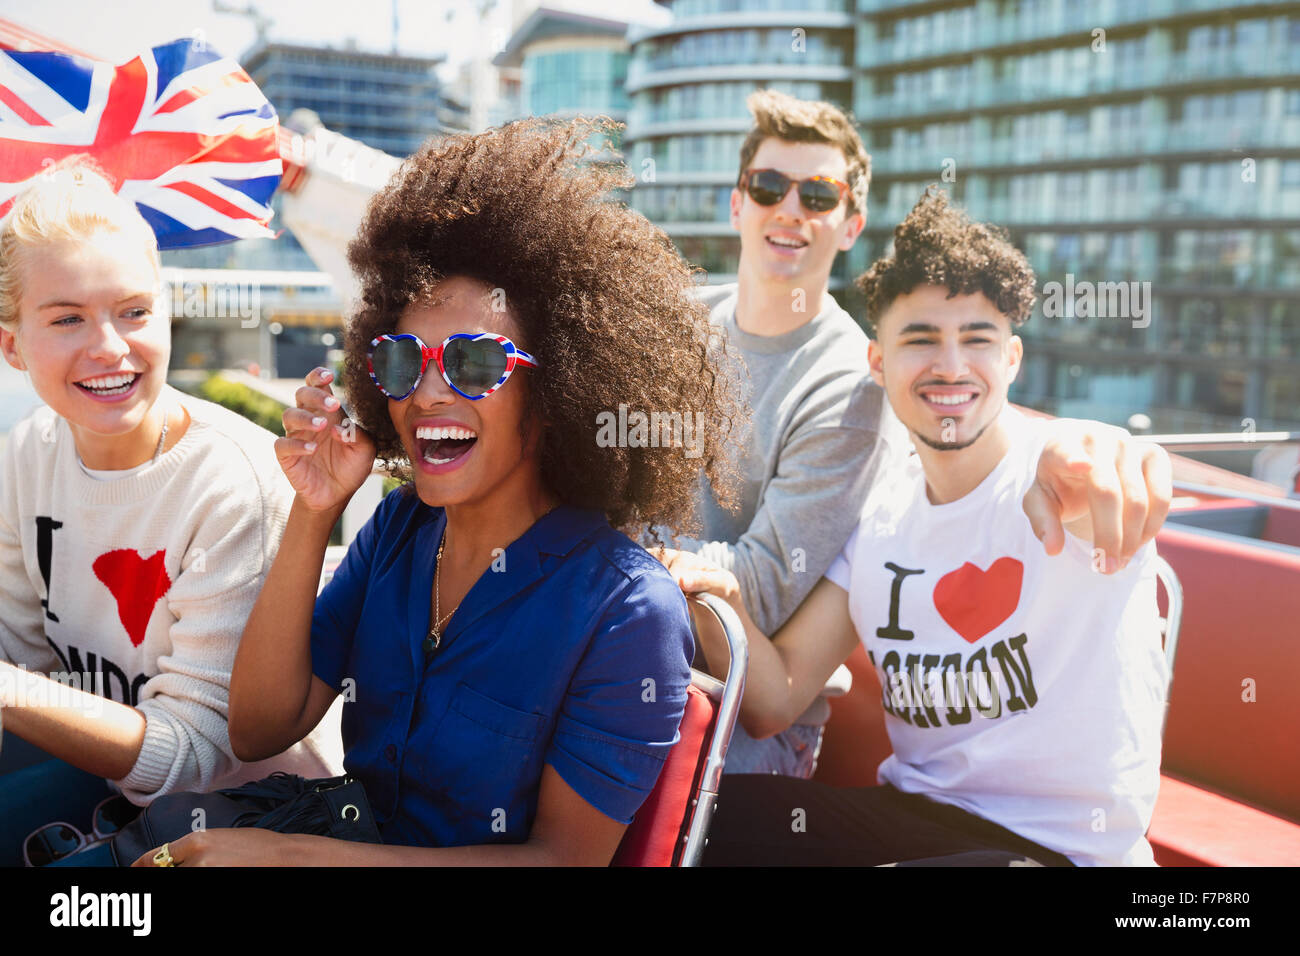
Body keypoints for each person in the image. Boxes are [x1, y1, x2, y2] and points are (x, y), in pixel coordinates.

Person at [130, 116, 741, 866]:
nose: (424, 393)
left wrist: (296, 858)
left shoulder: (625, 612)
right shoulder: (396, 530)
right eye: (399, 363)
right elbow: (260, 728)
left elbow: (559, 863)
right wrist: (314, 509)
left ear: (558, 392)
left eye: (474, 364)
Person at [667, 187, 1172, 866]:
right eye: (921, 339)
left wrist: (1122, 459)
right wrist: (718, 596)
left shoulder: (1059, 480)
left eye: (978, 340)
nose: (952, 366)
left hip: (1061, 851)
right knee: (696, 818)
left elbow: (1110, 464)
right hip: (913, 817)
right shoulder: (880, 514)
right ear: (878, 364)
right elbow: (778, 695)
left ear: (1012, 361)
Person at [0, 164, 339, 867]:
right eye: (67, 318)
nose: (111, 347)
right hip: (102, 791)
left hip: (246, 821)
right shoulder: (24, 458)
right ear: (11, 346)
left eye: (134, 310)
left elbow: (194, 758)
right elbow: (25, 670)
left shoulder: (232, 482)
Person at [662, 89, 903, 777]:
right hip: (629, 658)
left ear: (850, 225)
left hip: (740, 723)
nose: (790, 209)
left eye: (819, 196)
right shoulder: (676, 324)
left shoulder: (850, 390)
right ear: (738, 204)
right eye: (769, 186)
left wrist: (613, 547)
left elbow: (754, 602)